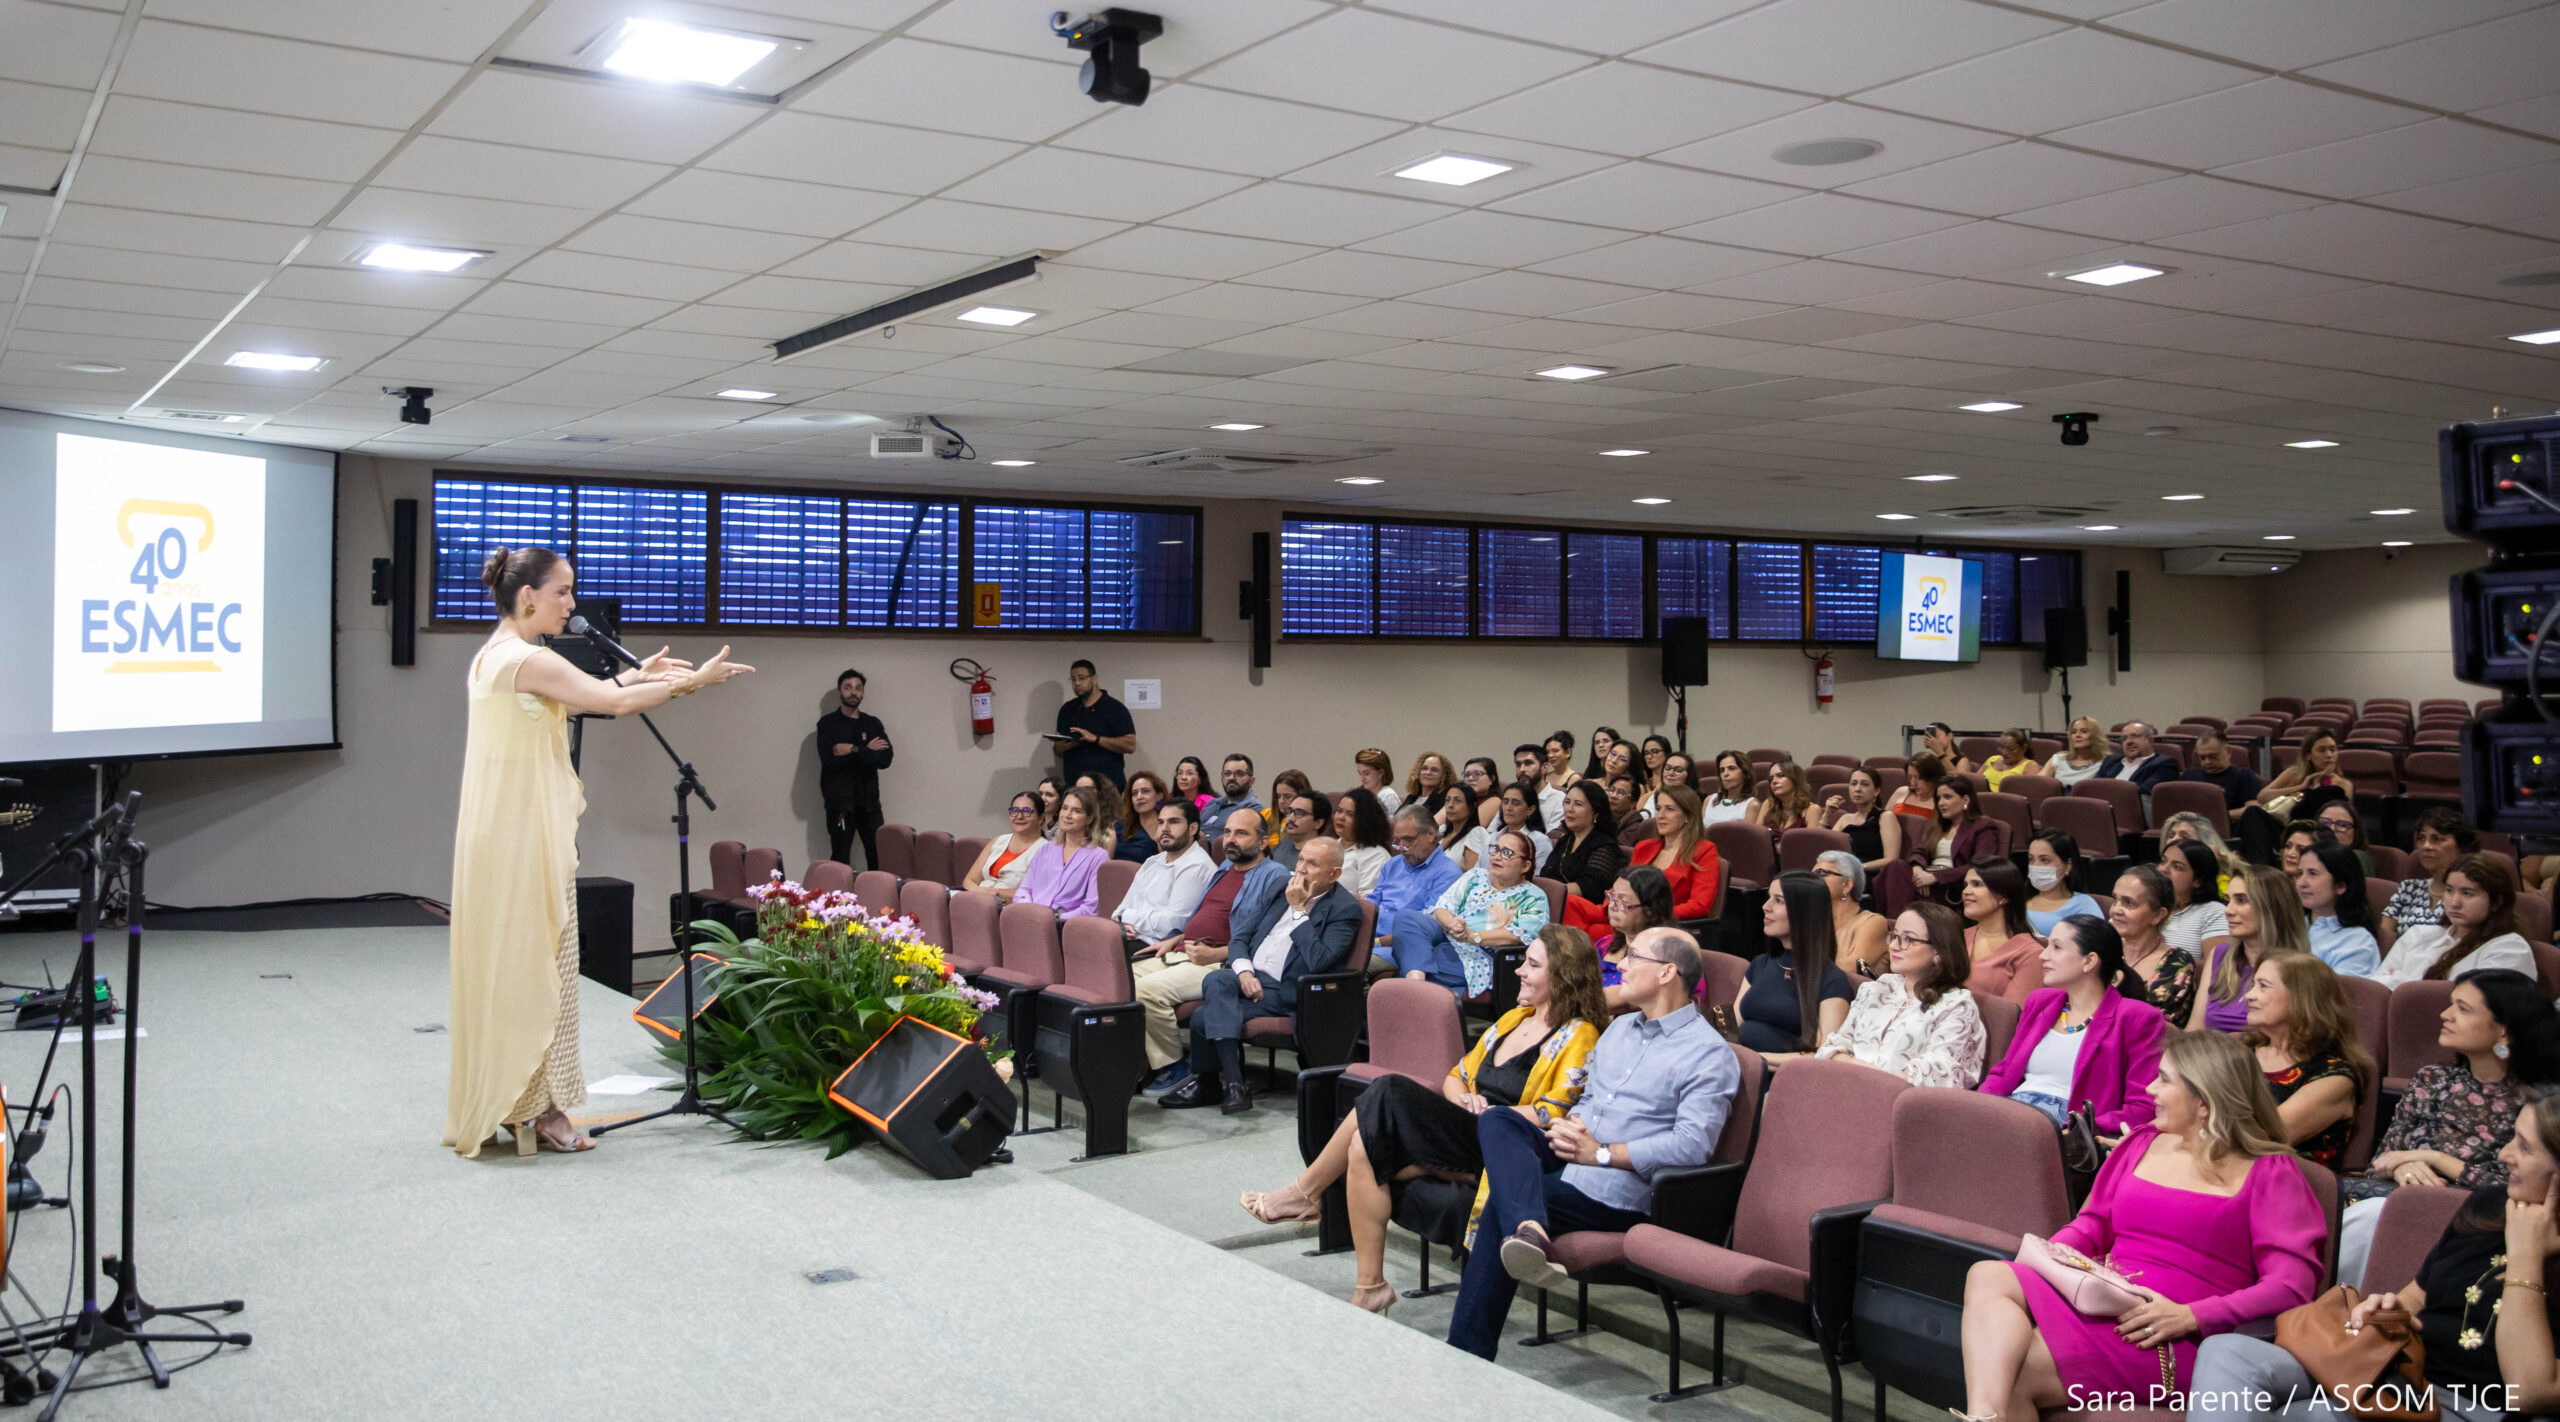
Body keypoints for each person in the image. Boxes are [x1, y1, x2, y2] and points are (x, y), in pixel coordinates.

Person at [445, 544, 753, 1158]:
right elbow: (607, 702)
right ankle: (538, 1107)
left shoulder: (497, 654)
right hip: (519, 838)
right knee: (540, 968)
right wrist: (694, 682)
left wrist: (644, 675)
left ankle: (523, 1102)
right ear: (527, 594)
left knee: (518, 967)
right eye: (562, 591)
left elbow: (592, 691)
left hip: (502, 835)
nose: (571, 603)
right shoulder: (523, 659)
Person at [1956, 1032, 2326, 1422]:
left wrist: (2192, 1315)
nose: (2150, 1089)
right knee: (1988, 1274)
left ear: (2205, 1101)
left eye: (2164, 1080)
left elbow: (2290, 1287)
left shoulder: (2270, 1172)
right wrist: (2052, 1263)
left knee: (2014, 1369)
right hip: (2101, 1298)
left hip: (2169, 1333)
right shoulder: (2141, 1141)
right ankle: (1982, 1418)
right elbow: (2090, 1226)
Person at [1239, 926, 1606, 1315]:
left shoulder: (1579, 1034)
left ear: (1564, 975)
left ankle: (1306, 1192)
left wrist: (1491, 1114)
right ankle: (1370, 1287)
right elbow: (1455, 1076)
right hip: (1466, 1124)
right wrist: (1463, 1099)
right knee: (1364, 1144)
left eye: (1532, 965)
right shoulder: (1514, 1018)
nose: (1518, 971)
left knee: (1388, 1089)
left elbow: (1553, 1113)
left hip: (1507, 1144)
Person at [2187, 1084, 2560, 1422]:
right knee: (2226, 1352)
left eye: (2525, 1147)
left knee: (2299, 1417)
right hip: (2396, 1371)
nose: (2505, 1154)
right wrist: (2387, 1309)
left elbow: (2530, 1390)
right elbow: (2417, 1296)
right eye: (2513, 1137)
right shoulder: (2490, 1206)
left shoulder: (2524, 1229)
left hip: (2477, 1407)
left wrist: (2526, 1258)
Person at [1452, 927, 1739, 1361]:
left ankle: (1466, 1353)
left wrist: (1601, 1153)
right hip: (1573, 1159)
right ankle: (1530, 1229)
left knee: (1501, 1204)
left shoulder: (1709, 1053)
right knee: (1499, 1120)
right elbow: (1588, 1101)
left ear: (1666, 972)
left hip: (1620, 1191)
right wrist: (1573, 1128)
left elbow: (1692, 1146)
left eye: (1633, 957)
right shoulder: (1621, 1028)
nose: (1619, 965)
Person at [2330, 970, 2560, 1288]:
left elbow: (2521, 1187)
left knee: (2373, 1217)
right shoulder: (2431, 1079)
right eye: (2451, 1004)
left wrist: (2436, 1159)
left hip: (2480, 1220)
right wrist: (2406, 1166)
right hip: (2398, 1197)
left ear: (2504, 1033)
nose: (2445, 1014)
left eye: (2462, 1009)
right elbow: (2380, 1164)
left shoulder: (2539, 1103)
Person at [1163, 838, 1361, 1115]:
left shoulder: (1344, 909)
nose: (1301, 869)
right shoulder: (1281, 888)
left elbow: (1320, 962)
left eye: (1312, 864)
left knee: (1201, 1018)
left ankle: (1211, 1084)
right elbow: (1239, 937)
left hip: (1290, 989)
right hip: (1253, 978)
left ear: (1335, 874)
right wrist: (1244, 972)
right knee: (1216, 979)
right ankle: (1234, 1084)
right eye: (1301, 859)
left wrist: (1298, 913)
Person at [1130, 810, 1288, 1091]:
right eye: (1227, 832)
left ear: (1263, 842)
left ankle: (1174, 1067)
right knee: (1120, 982)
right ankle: (1138, 1063)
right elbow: (1203, 914)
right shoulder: (1226, 867)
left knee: (1146, 991)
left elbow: (1265, 940)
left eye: (1241, 833)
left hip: (1221, 965)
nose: (1230, 839)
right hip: (1183, 950)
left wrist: (1216, 955)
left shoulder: (1274, 877)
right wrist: (1176, 937)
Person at [1979, 915, 2165, 1133]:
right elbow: (2004, 1072)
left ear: (2089, 961)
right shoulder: (2040, 1001)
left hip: (2067, 1125)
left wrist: (2083, 1129)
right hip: (2013, 1109)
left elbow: (2142, 1107)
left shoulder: (2137, 1017)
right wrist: (1979, 1107)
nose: (2043, 955)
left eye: (2056, 947)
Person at [1818, 901, 1986, 1087]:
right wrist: (1860, 1072)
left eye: (1908, 939)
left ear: (1938, 951)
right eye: (1894, 936)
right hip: (1845, 1089)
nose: (1894, 946)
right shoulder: (1877, 988)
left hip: (1902, 1106)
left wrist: (1866, 1078)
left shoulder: (1956, 1005)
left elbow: (1941, 1074)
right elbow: (1834, 1047)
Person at [1381, 829, 1551, 999]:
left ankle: (1413, 983)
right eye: (1495, 849)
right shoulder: (1475, 875)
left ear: (1525, 866)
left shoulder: (1533, 896)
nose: (1497, 856)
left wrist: (1471, 936)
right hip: (1446, 935)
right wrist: (1452, 924)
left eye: (1507, 853)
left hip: (1479, 954)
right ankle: (1416, 986)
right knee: (1406, 917)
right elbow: (1442, 908)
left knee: (1411, 953)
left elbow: (1516, 936)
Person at [2242, 950, 2371, 1170]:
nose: (2249, 995)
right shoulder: (2240, 1050)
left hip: (2288, 1186)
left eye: (2263, 986)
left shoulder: (2335, 1077)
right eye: (2253, 985)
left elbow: (2261, 1138)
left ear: (2302, 998)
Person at [1735, 870, 1856, 1056]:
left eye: (1779, 901)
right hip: (1738, 1066)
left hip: (1779, 1077)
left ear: (1805, 911)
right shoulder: (1760, 964)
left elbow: (1822, 1056)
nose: (1765, 907)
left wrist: (1758, 1060)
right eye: (1769, 898)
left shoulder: (1831, 979)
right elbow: (1732, 1028)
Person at [2376, 852, 2538, 989]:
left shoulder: (2510, 948)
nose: (2454, 902)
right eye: (2449, 890)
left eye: (2467, 893)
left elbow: (2471, 1005)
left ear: (2497, 902)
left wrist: (2399, 981)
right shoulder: (2418, 934)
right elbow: (2377, 987)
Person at [2191, 864, 2315, 1034]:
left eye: (2241, 900)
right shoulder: (2219, 955)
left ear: (2272, 907)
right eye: (2228, 901)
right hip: (2210, 1057)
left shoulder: (2300, 968)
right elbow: (2195, 1029)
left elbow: (2300, 1039)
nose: (2228, 910)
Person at [1881, 775, 2002, 916]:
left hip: (1951, 886)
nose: (1941, 803)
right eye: (1938, 798)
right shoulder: (1937, 825)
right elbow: (1918, 852)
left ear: (1965, 800)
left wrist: (1935, 878)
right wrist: (1918, 869)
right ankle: (1895, 921)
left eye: (1947, 797)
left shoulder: (1983, 827)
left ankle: (1897, 923)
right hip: (1924, 879)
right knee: (1895, 866)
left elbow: (1980, 866)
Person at [1110, 799, 1216, 953]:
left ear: (1192, 828)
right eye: (1160, 822)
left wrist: (1127, 917)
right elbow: (1119, 911)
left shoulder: (1198, 866)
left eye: (1173, 822)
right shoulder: (1152, 861)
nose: (1164, 828)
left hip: (1159, 947)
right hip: (1132, 938)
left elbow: (1173, 925)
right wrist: (1122, 920)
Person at [814, 667, 892, 869]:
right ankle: (841, 901)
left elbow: (885, 759)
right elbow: (830, 762)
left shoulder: (872, 723)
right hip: (841, 805)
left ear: (863, 692)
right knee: (840, 859)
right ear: (840, 691)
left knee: (878, 856)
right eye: (848, 687)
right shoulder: (827, 724)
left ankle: (879, 898)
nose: (853, 692)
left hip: (870, 805)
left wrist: (853, 749)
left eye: (858, 688)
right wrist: (868, 752)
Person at [2115, 863, 2203, 1028]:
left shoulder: (2177, 962)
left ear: (2158, 915)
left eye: (2128, 903)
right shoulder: (2101, 950)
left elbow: (2158, 1027)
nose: (2116, 910)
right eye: (2115, 900)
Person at [1623, 785, 1720, 922]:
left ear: (1687, 816)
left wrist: (1650, 914)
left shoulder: (1704, 850)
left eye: (1669, 809)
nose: (1661, 815)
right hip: (1626, 917)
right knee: (1581, 909)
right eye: (1658, 809)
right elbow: (1623, 889)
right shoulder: (1644, 847)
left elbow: (1699, 905)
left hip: (1662, 924)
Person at [1372, 805, 1463, 948]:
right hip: (1370, 939)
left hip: (1402, 947)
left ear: (1431, 834)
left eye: (1409, 840)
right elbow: (1373, 904)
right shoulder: (1392, 865)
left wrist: (1376, 943)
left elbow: (1426, 927)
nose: (1402, 847)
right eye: (1398, 840)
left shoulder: (1448, 873)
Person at [2384, 806, 2479, 938]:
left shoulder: (2472, 894)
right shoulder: (2409, 888)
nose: (2426, 846)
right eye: (2421, 839)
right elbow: (2384, 937)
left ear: (2462, 846)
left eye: (2437, 839)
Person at [1015, 785, 1107, 919]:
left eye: (1076, 811)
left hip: (1065, 925)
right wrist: (1029, 910)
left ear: (1089, 818)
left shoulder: (1098, 856)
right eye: (1064, 808)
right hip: (1032, 918)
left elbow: (1091, 908)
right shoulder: (1045, 849)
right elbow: (1024, 890)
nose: (1067, 815)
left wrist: (1056, 919)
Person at [1960, 860, 2045, 1006]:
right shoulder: (1958, 937)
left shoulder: (2030, 954)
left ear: (2003, 896)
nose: (1966, 891)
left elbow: (2011, 1017)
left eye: (1977, 884)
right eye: (1966, 884)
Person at [1593, 867, 1678, 1009]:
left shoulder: (1666, 955)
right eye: (1612, 896)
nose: (1612, 906)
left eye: (1623, 901)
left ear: (1651, 910)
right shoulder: (1604, 944)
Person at [1546, 781, 1625, 927]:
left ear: (1595, 813)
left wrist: (1547, 894)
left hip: (1581, 916)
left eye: (1578, 804)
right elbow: (1547, 874)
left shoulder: (1605, 846)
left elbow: (1587, 888)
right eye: (1567, 802)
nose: (1570, 809)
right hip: (1553, 907)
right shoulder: (1566, 840)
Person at [2296, 841, 2380, 978]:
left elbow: (2334, 994)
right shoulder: (2293, 926)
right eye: (2300, 873)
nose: (2301, 883)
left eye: (2313, 873)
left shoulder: (2358, 941)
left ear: (2340, 886)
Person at [1053, 658, 1135, 787]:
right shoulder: (1067, 709)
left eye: (1082, 678)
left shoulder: (1114, 708)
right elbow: (1057, 750)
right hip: (1075, 786)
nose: (1077, 683)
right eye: (1073, 679)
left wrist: (1095, 739)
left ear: (1094, 679)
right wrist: (1065, 745)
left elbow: (1130, 745)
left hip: (1107, 788)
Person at [1817, 766, 1904, 881]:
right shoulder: (1845, 819)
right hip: (1842, 874)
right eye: (1853, 784)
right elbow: (1824, 849)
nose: (1857, 789)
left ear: (1876, 791)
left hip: (1868, 876)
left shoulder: (1885, 817)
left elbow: (1891, 859)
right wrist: (1827, 814)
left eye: (1865, 784)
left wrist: (1857, 868)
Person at [1816, 849, 1890, 980]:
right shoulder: (1815, 923)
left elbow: (1849, 969)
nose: (1812, 881)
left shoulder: (1873, 922)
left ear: (1846, 884)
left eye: (1821, 873)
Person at [962, 792, 1046, 900]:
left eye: (1026, 811)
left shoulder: (1046, 850)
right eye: (1014, 811)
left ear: (1041, 818)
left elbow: (1033, 892)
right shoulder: (998, 841)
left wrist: (991, 893)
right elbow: (969, 880)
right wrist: (980, 892)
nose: (1019, 816)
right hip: (979, 900)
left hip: (1011, 908)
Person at [2159, 840, 2232, 962]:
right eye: (2163, 861)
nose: (2163, 869)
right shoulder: (2147, 905)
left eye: (2177, 867)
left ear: (2197, 880)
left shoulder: (2213, 912)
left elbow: (2216, 971)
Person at [2024, 829, 2105, 937]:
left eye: (2044, 860)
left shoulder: (2083, 905)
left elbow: (2095, 945)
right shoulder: (2020, 899)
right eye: (2031, 859)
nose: (2036, 866)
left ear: (2068, 865)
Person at [2097, 721, 2177, 813]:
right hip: (2103, 811)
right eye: (2124, 738)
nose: (2129, 742)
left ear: (2150, 740)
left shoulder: (2164, 764)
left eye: (2135, 736)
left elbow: (2142, 793)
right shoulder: (2111, 761)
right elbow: (2095, 787)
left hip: (2132, 813)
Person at [1332, 787, 1393, 898]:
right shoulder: (1328, 846)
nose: (1341, 817)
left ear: (1364, 820)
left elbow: (1369, 903)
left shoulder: (1375, 855)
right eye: (1339, 811)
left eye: (1350, 814)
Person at [2180, 729, 2262, 812]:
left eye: (2213, 756)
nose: (2207, 762)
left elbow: (2253, 809)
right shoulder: (2189, 775)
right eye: (2202, 758)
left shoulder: (2244, 776)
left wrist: (2221, 816)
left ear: (2228, 752)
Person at [1197, 753, 1262, 836]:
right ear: (1222, 777)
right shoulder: (1212, 804)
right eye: (1227, 773)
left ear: (1252, 780)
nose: (1231, 778)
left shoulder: (1253, 808)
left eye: (1239, 774)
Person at [1114, 771, 1169, 865]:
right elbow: (1104, 862)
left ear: (1159, 796)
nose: (1139, 797)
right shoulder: (1120, 827)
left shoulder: (1167, 827)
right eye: (1134, 793)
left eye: (1145, 791)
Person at [1493, 781, 1553, 868]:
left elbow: (1538, 878)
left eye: (1515, 803)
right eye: (1505, 802)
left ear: (1530, 810)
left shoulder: (1539, 841)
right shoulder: (1492, 838)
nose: (1508, 808)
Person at [1745, 760, 1818, 831]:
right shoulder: (1768, 804)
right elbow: (1757, 836)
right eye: (1771, 779)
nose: (1774, 781)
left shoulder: (1812, 809)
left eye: (1780, 775)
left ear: (1795, 779)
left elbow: (1810, 842)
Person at [2315, 799, 2376, 878]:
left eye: (2342, 825)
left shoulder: (2358, 857)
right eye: (2325, 823)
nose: (2331, 828)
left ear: (2355, 832)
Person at [2042, 715, 2108, 785]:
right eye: (2074, 732)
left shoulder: (2105, 763)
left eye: (2084, 731)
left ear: (2095, 736)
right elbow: (2038, 783)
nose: (2077, 735)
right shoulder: (2059, 759)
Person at [1269, 791, 1327, 870]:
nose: (1290, 818)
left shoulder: (1323, 856)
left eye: (1299, 813)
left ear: (1318, 823)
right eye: (1289, 811)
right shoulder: (1278, 848)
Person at [1437, 781, 1488, 872]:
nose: (1450, 805)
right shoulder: (1442, 831)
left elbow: (1472, 876)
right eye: (1448, 800)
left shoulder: (1475, 833)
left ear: (1472, 806)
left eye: (1458, 801)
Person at [1700, 749, 1755, 826]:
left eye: (1731, 768)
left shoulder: (1751, 804)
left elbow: (1750, 836)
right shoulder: (1709, 800)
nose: (1725, 774)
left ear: (1745, 773)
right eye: (1722, 770)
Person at [1073, 773, 1123, 856]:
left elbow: (1105, 858)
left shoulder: (1114, 826)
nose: (1081, 794)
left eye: (1087, 789)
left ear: (1100, 792)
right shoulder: (1073, 820)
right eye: (1077, 790)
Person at [1641, 751, 1696, 819]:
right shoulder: (1654, 796)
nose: (1671, 773)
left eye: (1678, 770)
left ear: (1689, 775)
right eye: (1667, 768)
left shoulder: (1694, 800)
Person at [1404, 751, 1455, 819]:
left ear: (1444, 775)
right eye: (1424, 768)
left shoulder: (1444, 800)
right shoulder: (1412, 796)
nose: (1428, 772)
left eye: (1434, 770)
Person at [1355, 748, 1403, 814]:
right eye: (1360, 773)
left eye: (1366, 773)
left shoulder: (1388, 796)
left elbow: (1392, 824)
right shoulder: (1360, 795)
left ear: (1380, 772)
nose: (1362, 779)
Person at [1034, 773, 1065, 838]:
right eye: (1040, 794)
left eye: (1049, 795)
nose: (1043, 798)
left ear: (1061, 800)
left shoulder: (1064, 825)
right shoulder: (1033, 820)